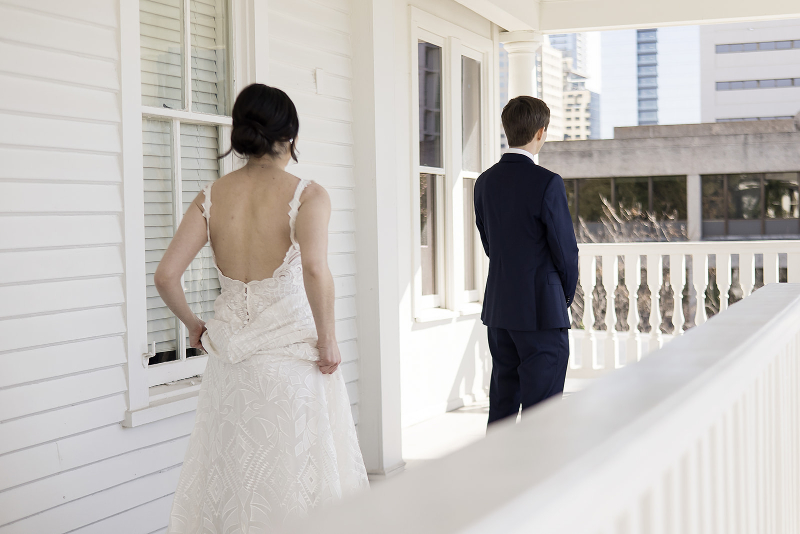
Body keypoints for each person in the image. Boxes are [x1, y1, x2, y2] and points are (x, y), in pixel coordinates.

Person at [155, 83, 369, 532]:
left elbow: (166, 276)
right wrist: (328, 339)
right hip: (291, 364)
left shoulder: (211, 196)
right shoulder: (307, 194)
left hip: (230, 366)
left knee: (237, 477)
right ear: (289, 135)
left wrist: (195, 325)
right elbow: (315, 269)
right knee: (294, 479)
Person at [474, 95, 579, 426]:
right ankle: (538, 476)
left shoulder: (484, 182)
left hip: (500, 308)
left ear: (507, 130)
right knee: (542, 411)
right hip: (540, 311)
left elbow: (490, 243)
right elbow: (566, 251)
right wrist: (560, 298)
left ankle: (496, 474)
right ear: (541, 132)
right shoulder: (547, 182)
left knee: (503, 404)